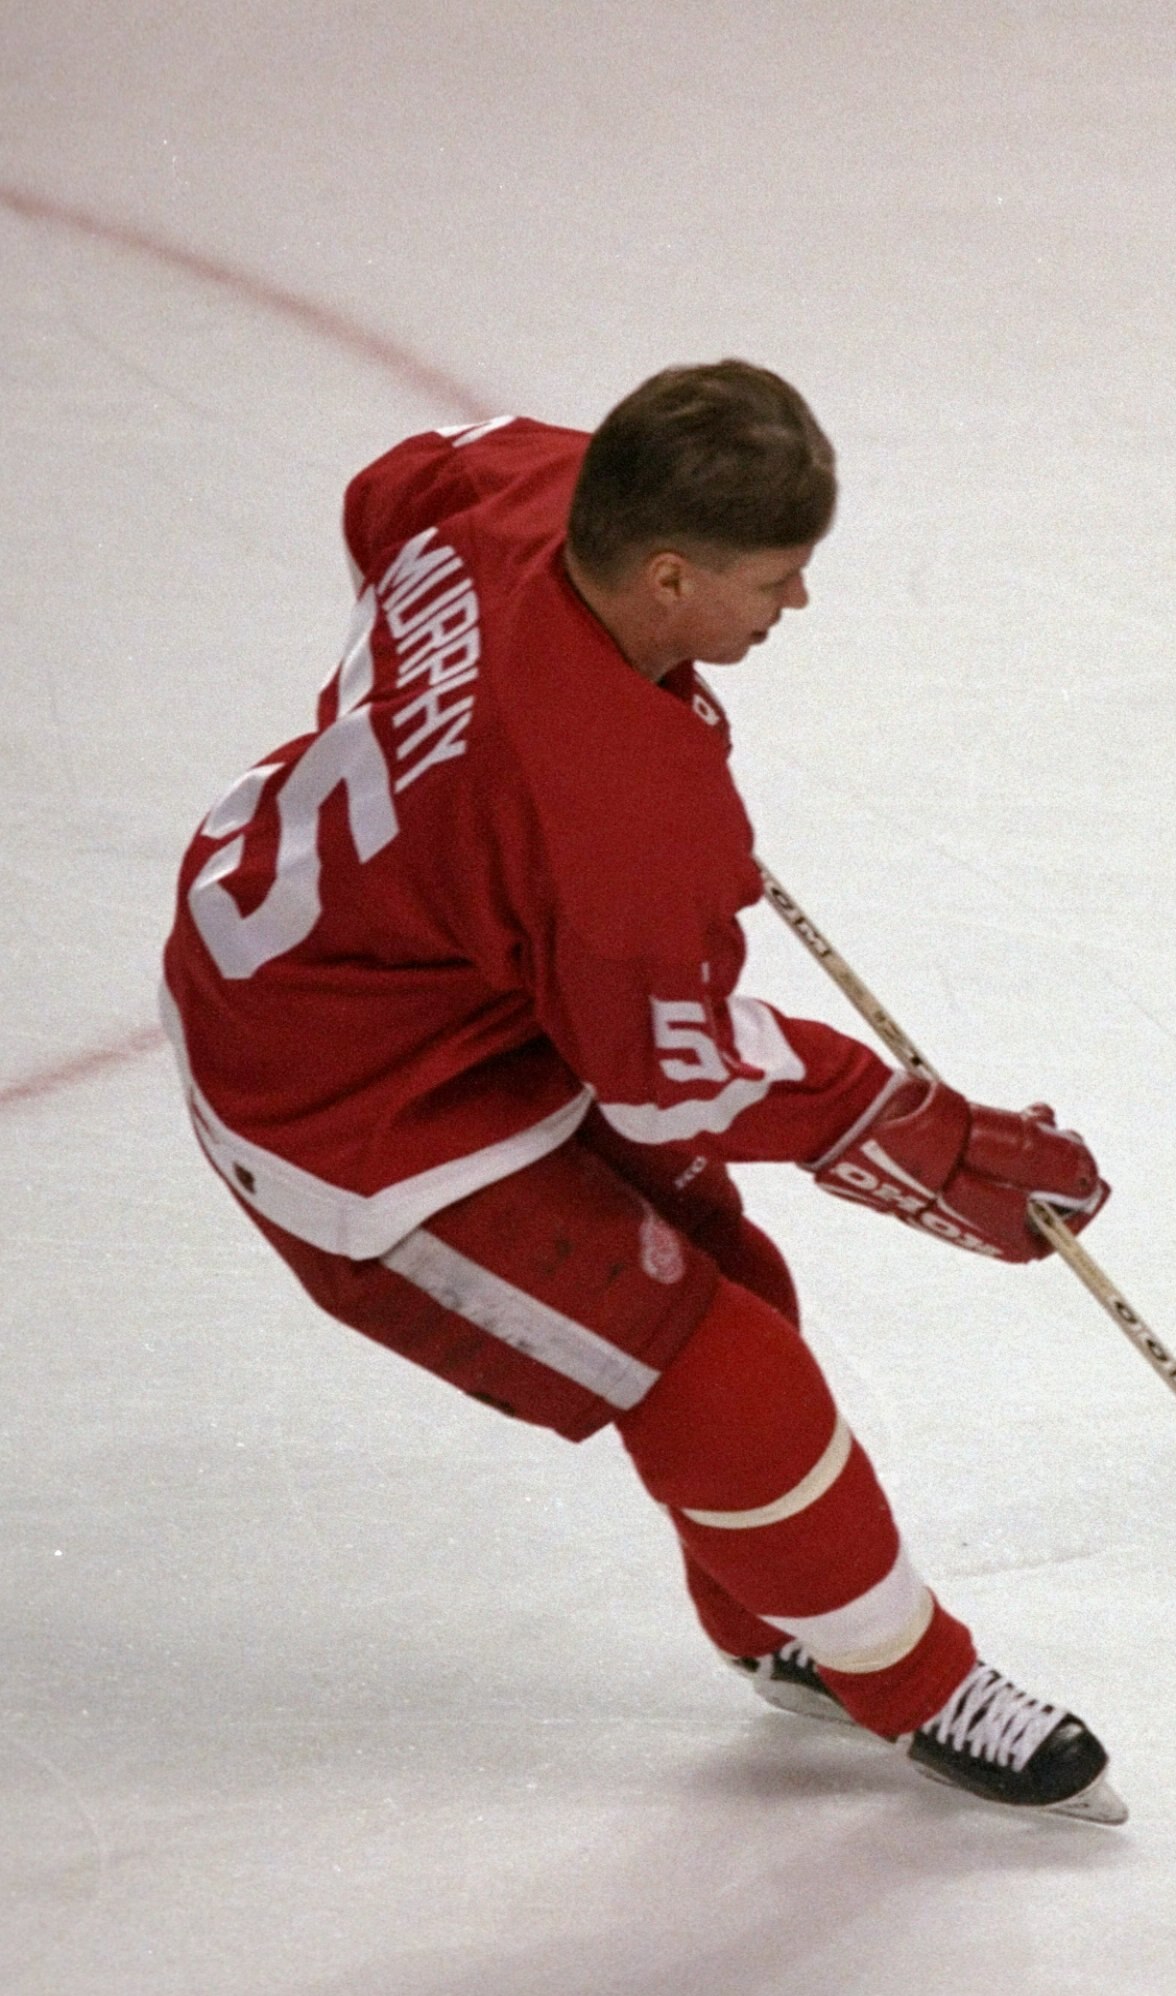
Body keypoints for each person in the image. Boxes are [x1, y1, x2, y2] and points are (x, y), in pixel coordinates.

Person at [161, 362, 1124, 1823]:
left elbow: (391, 492)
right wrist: (909, 1126)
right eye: (775, 578)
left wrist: (538, 722)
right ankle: (920, 1687)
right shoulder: (609, 825)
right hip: (348, 1109)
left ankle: (775, 1617)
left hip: (411, 975)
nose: (797, 602)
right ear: (667, 574)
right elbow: (677, 1082)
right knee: (705, 1358)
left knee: (738, 1277)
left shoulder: (535, 489)